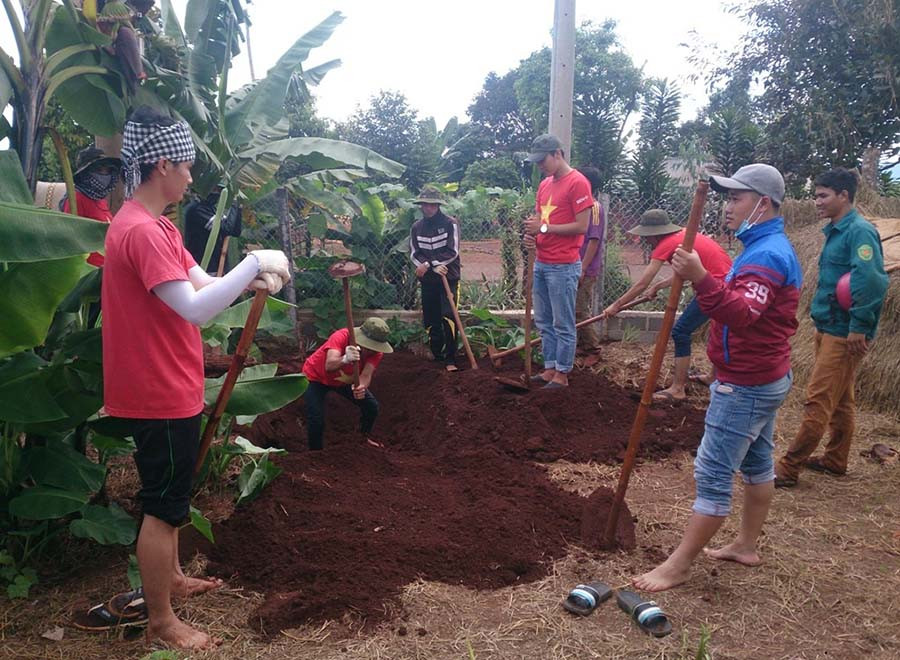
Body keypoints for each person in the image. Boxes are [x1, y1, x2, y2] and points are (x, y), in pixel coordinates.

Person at [102, 106, 291, 649]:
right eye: (186, 166)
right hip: (155, 390)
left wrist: (249, 279)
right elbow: (194, 309)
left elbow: (206, 282)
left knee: (174, 496)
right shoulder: (139, 232)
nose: (191, 177)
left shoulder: (158, 226)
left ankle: (174, 581)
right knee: (163, 508)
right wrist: (253, 263)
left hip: (169, 383)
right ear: (162, 165)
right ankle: (161, 622)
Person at [633, 164, 802, 592]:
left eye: (736, 198)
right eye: (726, 198)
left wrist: (701, 278)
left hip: (746, 383)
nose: (727, 207)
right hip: (765, 376)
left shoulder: (767, 254)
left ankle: (678, 565)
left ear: (763, 203)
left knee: (712, 471)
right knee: (758, 463)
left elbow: (743, 315)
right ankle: (746, 545)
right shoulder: (761, 245)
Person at [775, 168, 889, 487]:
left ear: (844, 195)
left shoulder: (859, 232)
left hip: (843, 332)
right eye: (815, 195)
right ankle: (836, 459)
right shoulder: (836, 230)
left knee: (818, 398)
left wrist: (859, 326)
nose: (816, 202)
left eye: (823, 195)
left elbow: (871, 281)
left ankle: (788, 468)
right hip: (827, 326)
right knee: (841, 399)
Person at [604, 209, 733, 401]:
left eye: (647, 237)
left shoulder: (666, 243)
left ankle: (678, 388)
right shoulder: (681, 236)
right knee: (718, 328)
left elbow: (642, 282)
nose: (646, 241)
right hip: (728, 282)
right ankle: (713, 376)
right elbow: (683, 271)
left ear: (655, 234)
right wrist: (659, 286)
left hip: (716, 287)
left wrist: (617, 305)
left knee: (681, 332)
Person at [523, 134, 593, 389]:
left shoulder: (578, 183)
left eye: (543, 160)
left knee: (562, 321)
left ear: (558, 154)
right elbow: (541, 221)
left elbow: (582, 226)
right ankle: (549, 367)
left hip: (563, 265)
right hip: (542, 261)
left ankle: (562, 373)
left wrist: (543, 229)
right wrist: (533, 235)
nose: (540, 166)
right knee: (543, 320)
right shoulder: (544, 185)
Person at [301, 317, 393, 450]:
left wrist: (361, 387)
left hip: (344, 381)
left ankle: (363, 438)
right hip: (316, 377)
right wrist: (345, 358)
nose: (371, 350)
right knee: (316, 418)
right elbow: (329, 365)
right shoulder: (341, 336)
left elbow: (366, 375)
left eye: (374, 347)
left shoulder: (377, 352)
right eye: (369, 345)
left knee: (371, 407)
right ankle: (315, 453)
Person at [409, 186, 461, 371]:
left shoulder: (450, 223)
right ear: (421, 205)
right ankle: (436, 354)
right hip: (428, 280)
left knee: (448, 316)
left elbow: (452, 251)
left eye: (432, 205)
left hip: (449, 279)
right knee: (431, 318)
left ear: (438, 205)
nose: (428, 208)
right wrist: (427, 265)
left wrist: (431, 264)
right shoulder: (417, 227)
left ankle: (451, 358)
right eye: (425, 204)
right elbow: (415, 253)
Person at [61, 146, 122, 268]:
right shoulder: (76, 199)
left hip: (107, 270)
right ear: (86, 173)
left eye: (108, 170)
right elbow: (70, 241)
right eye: (99, 170)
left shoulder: (100, 199)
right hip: (90, 272)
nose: (105, 175)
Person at [574, 166, 606, 354]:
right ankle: (581, 345)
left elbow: (594, 240)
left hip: (585, 268)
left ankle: (593, 348)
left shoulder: (594, 208)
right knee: (573, 309)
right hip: (576, 265)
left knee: (579, 310)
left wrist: (583, 268)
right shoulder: (583, 208)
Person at [183, 187, 243, 274]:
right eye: (214, 189)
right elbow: (227, 228)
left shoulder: (212, 209)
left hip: (218, 266)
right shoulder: (197, 210)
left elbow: (235, 231)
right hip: (205, 268)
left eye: (218, 190)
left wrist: (239, 208)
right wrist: (233, 204)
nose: (217, 193)